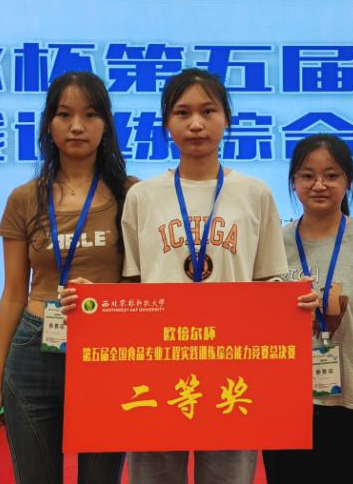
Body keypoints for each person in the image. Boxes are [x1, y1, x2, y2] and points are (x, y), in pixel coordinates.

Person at [121, 68, 317, 484]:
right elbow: (131, 286)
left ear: (226, 118)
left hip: (234, 365)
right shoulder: (141, 196)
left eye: (208, 111)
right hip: (158, 365)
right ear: (166, 123)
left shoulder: (254, 193)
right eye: (182, 113)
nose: (196, 124)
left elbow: (268, 282)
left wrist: (294, 304)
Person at [0, 71, 130, 484]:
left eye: (90, 115)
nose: (77, 126)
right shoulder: (25, 198)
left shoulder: (130, 195)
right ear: (49, 124)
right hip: (34, 350)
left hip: (107, 351)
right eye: (64, 114)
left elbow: (142, 282)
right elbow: (12, 294)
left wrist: (108, 298)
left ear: (106, 125)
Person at [262, 134, 353, 484]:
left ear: (348, 181)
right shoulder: (272, 246)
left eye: (331, 175)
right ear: (293, 182)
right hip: (285, 405)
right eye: (307, 175)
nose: (319, 185)